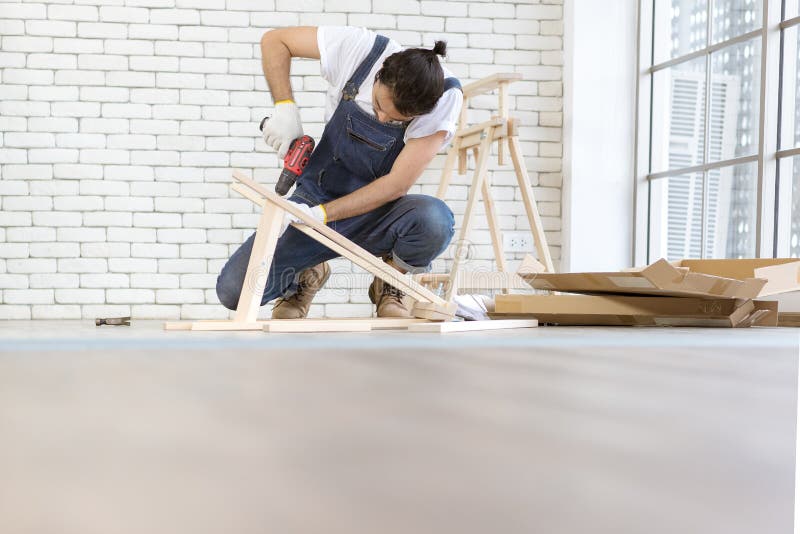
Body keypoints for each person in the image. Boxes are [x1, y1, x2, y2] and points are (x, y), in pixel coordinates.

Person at [216, 26, 462, 318]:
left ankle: (389, 280)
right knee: (233, 290)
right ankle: (305, 278)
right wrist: (285, 108)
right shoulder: (361, 50)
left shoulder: (446, 96)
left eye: (397, 120)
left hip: (379, 211)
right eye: (380, 105)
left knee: (434, 220)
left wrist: (321, 216)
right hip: (315, 197)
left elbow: (396, 184)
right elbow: (275, 40)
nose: (382, 118)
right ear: (380, 73)